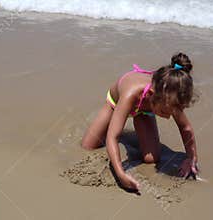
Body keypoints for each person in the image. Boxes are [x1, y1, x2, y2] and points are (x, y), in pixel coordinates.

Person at [81, 52, 199, 191]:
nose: (168, 117)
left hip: (146, 110)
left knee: (151, 159)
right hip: (116, 102)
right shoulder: (131, 95)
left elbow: (185, 128)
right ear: (151, 96)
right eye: (164, 113)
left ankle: (139, 125)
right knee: (88, 146)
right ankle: (114, 127)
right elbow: (112, 137)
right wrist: (121, 174)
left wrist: (191, 158)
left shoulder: (169, 98)